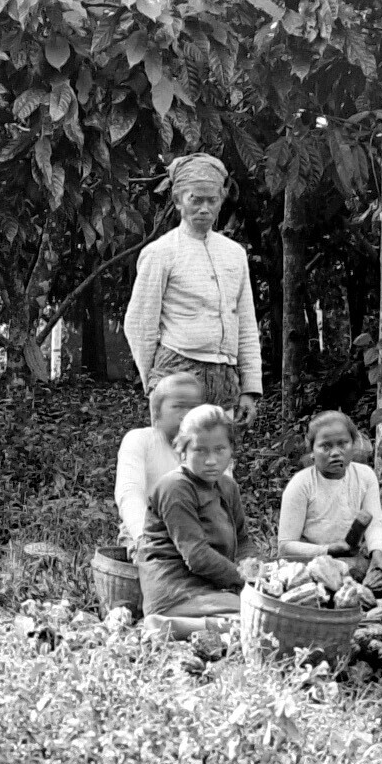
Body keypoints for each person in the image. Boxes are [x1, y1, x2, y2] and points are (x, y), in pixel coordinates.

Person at [124, 152, 263, 425]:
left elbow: (246, 324)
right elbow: (140, 323)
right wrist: (155, 382)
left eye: (212, 200)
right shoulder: (161, 252)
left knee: (219, 450)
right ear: (178, 200)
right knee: (175, 449)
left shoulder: (234, 254)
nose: (204, 209)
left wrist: (249, 389)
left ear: (222, 200)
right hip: (177, 373)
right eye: (195, 200)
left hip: (225, 377)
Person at [135, 405, 261, 639]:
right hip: (176, 590)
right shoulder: (175, 488)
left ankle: (203, 623)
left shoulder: (227, 486)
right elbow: (197, 556)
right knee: (259, 621)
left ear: (231, 450)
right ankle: (169, 625)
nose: (211, 460)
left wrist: (257, 571)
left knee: (268, 610)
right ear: (182, 451)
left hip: (212, 586)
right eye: (200, 451)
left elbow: (242, 540)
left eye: (220, 450)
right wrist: (242, 580)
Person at [278, 411, 382, 595]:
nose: (335, 453)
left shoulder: (365, 476)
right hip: (311, 565)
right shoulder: (301, 484)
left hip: (354, 559)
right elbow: (285, 546)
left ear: (353, 445)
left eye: (342, 444)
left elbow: (375, 524)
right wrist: (328, 550)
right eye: (325, 446)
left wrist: (378, 555)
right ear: (312, 450)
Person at [115, 372, 202, 545]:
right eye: (178, 406)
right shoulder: (140, 440)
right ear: (157, 412)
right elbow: (129, 494)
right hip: (146, 533)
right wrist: (144, 537)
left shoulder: (208, 450)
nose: (186, 415)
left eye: (193, 408)